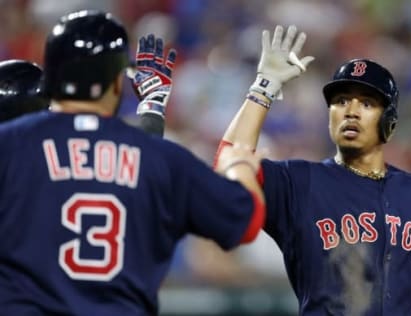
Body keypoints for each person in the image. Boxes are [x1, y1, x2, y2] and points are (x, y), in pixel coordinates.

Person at [0, 10, 266, 315]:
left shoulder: (11, 146)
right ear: (117, 82)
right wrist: (238, 164)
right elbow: (247, 221)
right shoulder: (158, 158)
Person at [216, 25, 411, 315]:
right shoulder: (298, 182)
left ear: (389, 123)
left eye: (366, 103)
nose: (350, 111)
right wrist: (264, 87)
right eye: (341, 101)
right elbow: (230, 162)